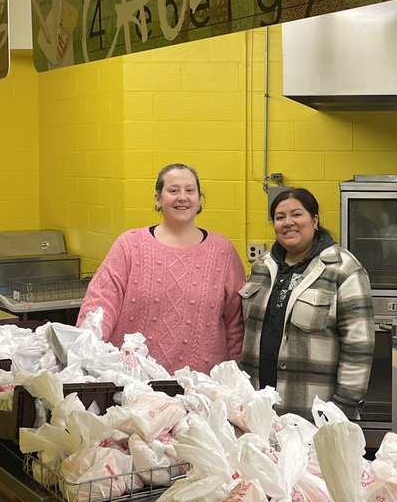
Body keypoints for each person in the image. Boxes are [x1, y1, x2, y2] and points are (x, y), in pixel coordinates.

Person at [77, 163, 244, 373]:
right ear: (158, 199)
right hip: (133, 382)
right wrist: (87, 351)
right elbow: (100, 304)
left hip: (201, 387)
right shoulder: (130, 245)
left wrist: (235, 374)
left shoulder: (223, 251)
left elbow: (236, 324)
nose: (182, 197)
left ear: (199, 200)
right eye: (173, 190)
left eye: (190, 190)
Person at [240, 187, 375, 419]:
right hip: (257, 407)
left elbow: (359, 346)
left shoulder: (343, 269)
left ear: (315, 220)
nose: (288, 222)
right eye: (280, 217)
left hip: (313, 411)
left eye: (297, 214)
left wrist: (341, 408)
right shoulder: (262, 267)